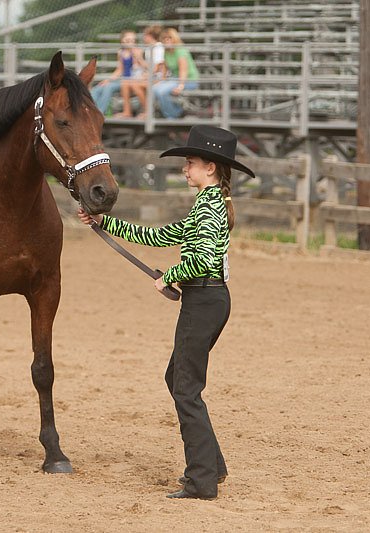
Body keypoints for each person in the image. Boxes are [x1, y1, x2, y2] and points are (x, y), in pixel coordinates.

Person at [77, 125, 255, 500]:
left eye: (190, 163)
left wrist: (169, 277)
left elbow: (204, 259)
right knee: (178, 377)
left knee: (185, 388)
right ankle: (212, 465)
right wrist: (104, 222)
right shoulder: (207, 203)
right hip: (208, 300)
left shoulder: (209, 206)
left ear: (210, 168)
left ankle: (202, 480)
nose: (184, 170)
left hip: (204, 300)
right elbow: (162, 236)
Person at [90, 30, 142, 116]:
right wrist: (108, 79)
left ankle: (99, 113)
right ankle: (89, 110)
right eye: (128, 40)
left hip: (131, 81)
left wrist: (135, 56)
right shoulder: (121, 52)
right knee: (98, 88)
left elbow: (137, 69)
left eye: (133, 40)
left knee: (108, 88)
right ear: (123, 41)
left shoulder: (138, 51)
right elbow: (120, 70)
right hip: (122, 79)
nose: (131, 43)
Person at [120, 24, 166, 119]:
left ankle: (148, 112)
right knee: (125, 83)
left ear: (150, 36)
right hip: (151, 76)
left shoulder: (158, 48)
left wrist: (145, 73)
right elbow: (148, 67)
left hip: (159, 78)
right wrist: (139, 61)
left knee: (135, 85)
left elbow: (157, 69)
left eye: (145, 35)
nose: (143, 37)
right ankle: (127, 111)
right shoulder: (149, 48)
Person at [152, 27, 199, 119]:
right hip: (174, 79)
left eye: (169, 38)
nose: (167, 41)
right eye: (165, 39)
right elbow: (165, 70)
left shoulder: (180, 50)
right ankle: (174, 112)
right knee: (154, 89)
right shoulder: (166, 52)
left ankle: (173, 115)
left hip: (188, 80)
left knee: (162, 91)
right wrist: (161, 81)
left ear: (174, 39)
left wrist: (181, 85)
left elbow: (183, 70)